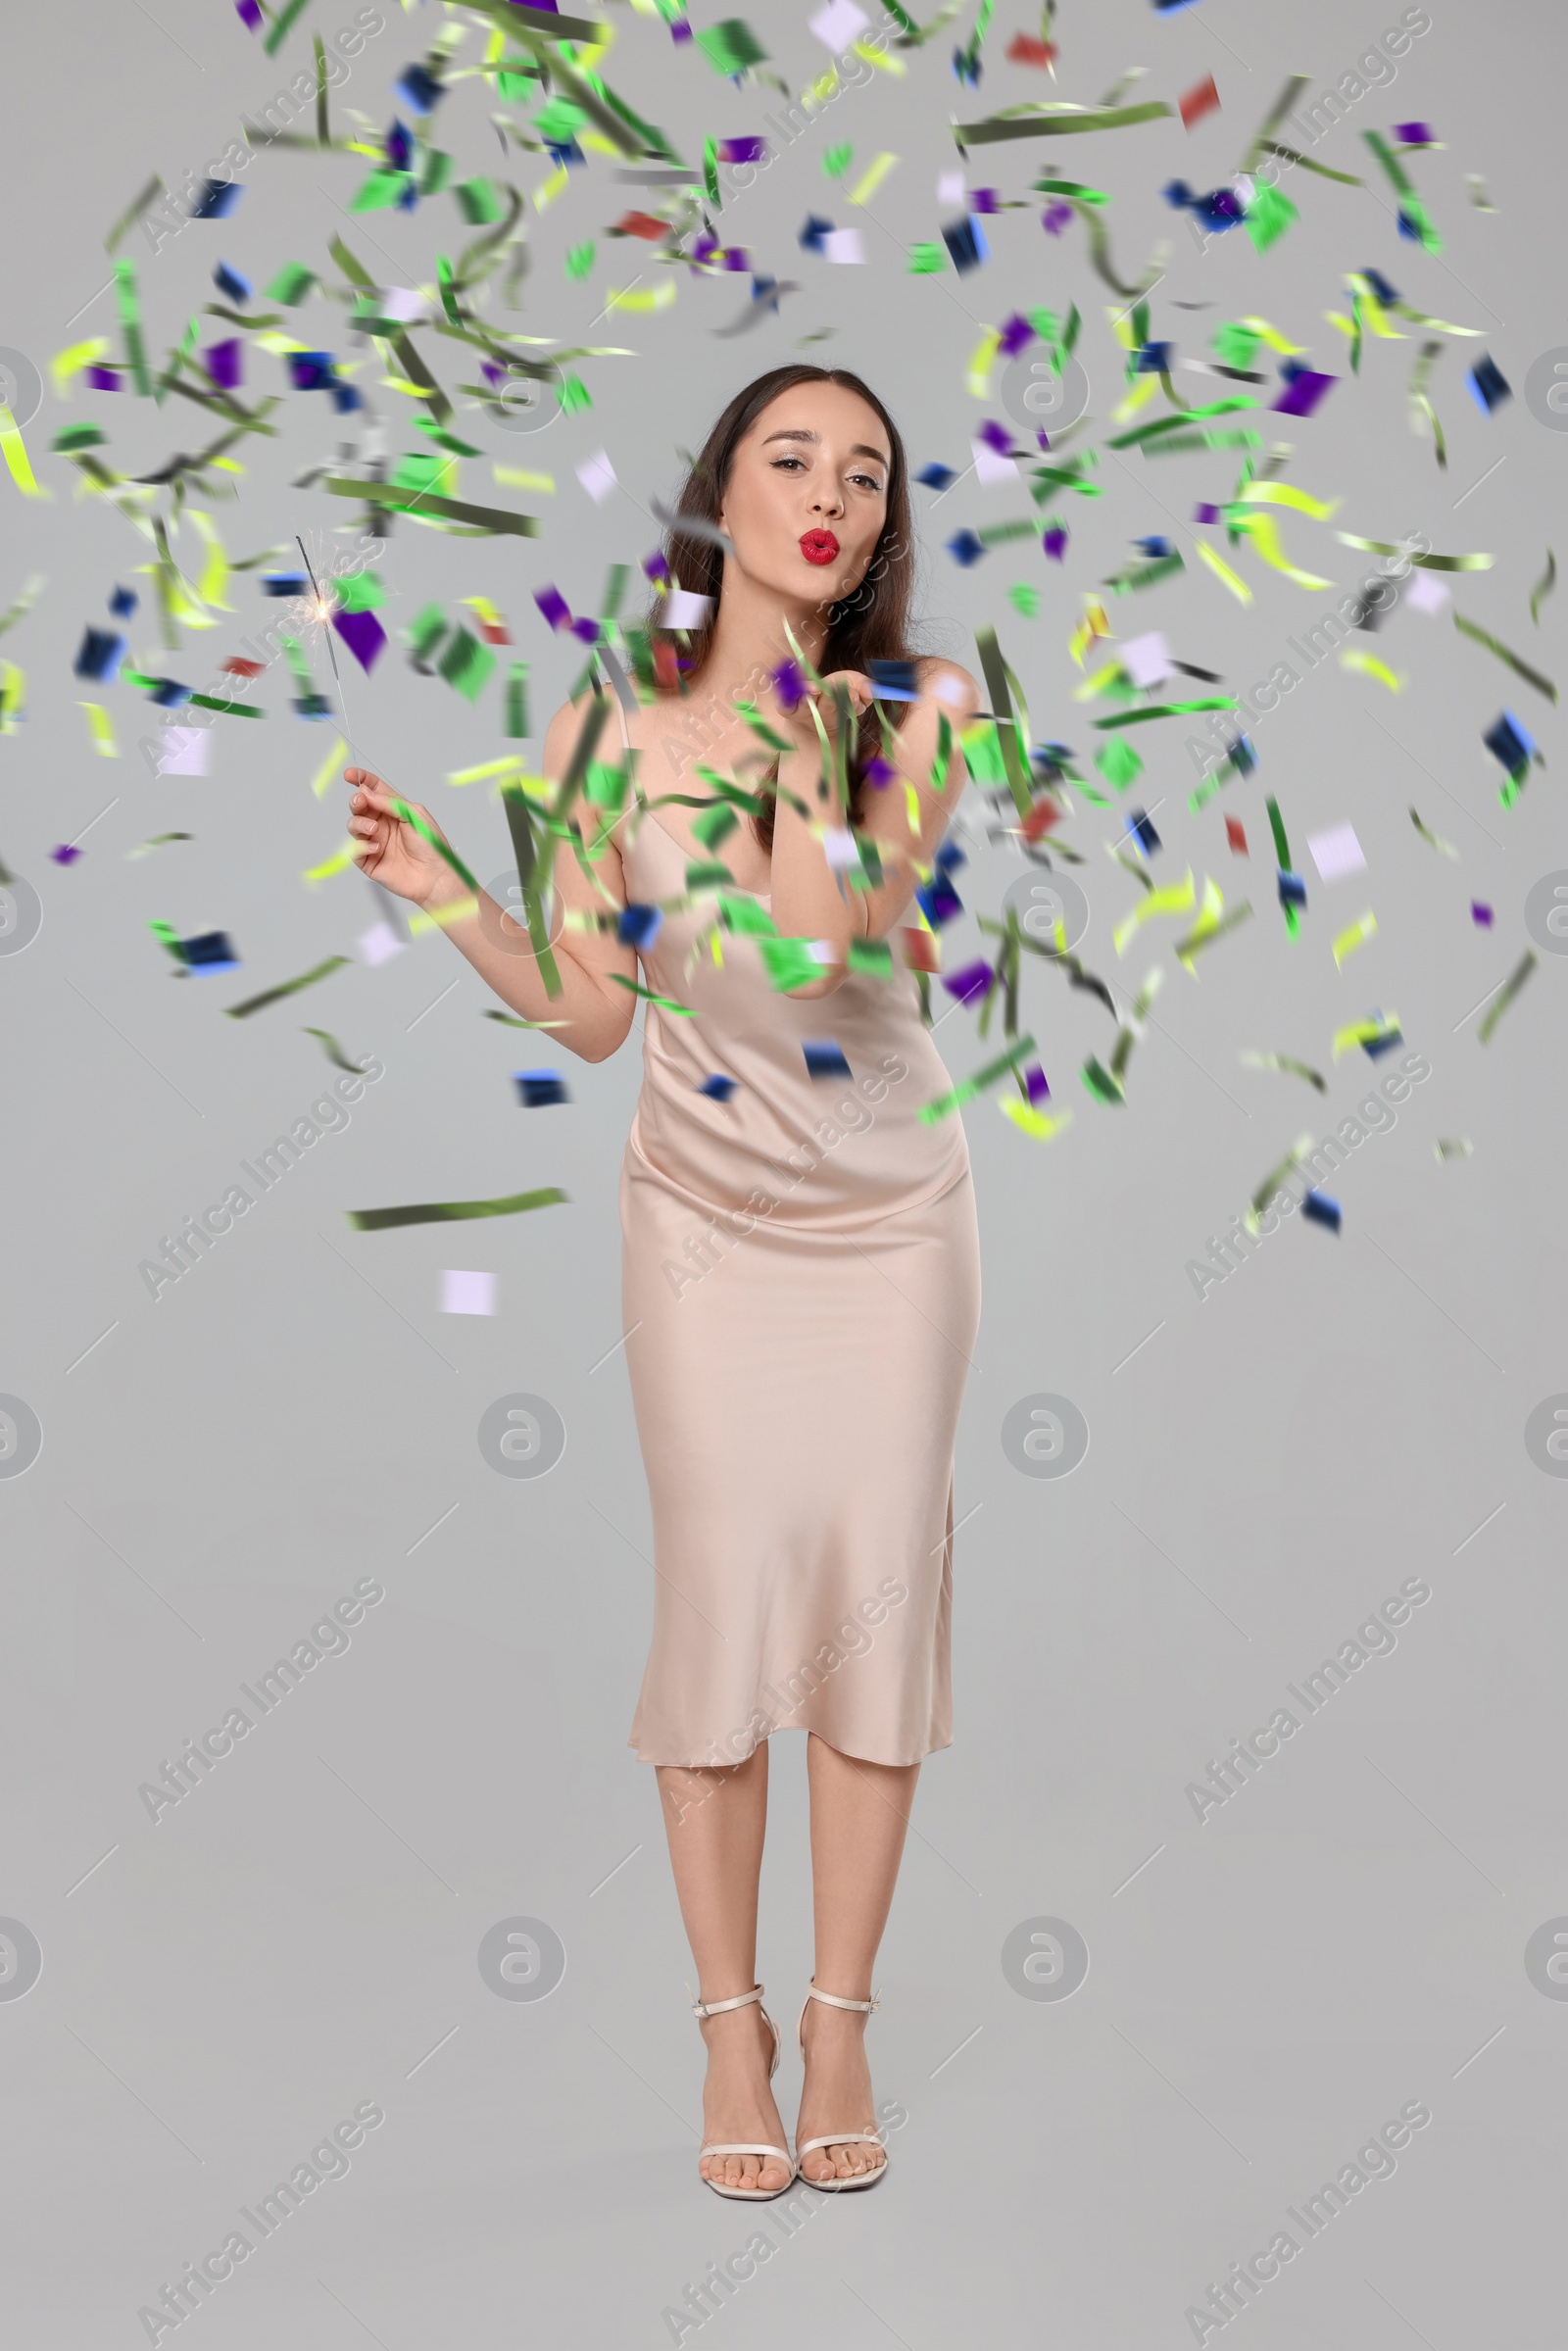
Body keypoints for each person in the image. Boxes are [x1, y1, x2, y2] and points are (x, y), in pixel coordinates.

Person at [344, 365, 983, 2199]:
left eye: (866, 474)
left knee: (873, 1601)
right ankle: (732, 2027)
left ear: (878, 531)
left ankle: (844, 2012)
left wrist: (805, 724)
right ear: (722, 497)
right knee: (719, 1602)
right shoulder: (601, 730)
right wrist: (455, 893)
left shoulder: (920, 710)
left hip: (887, 1227)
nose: (832, 493)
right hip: (702, 1225)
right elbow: (594, 1005)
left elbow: (823, 925)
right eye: (793, 458)